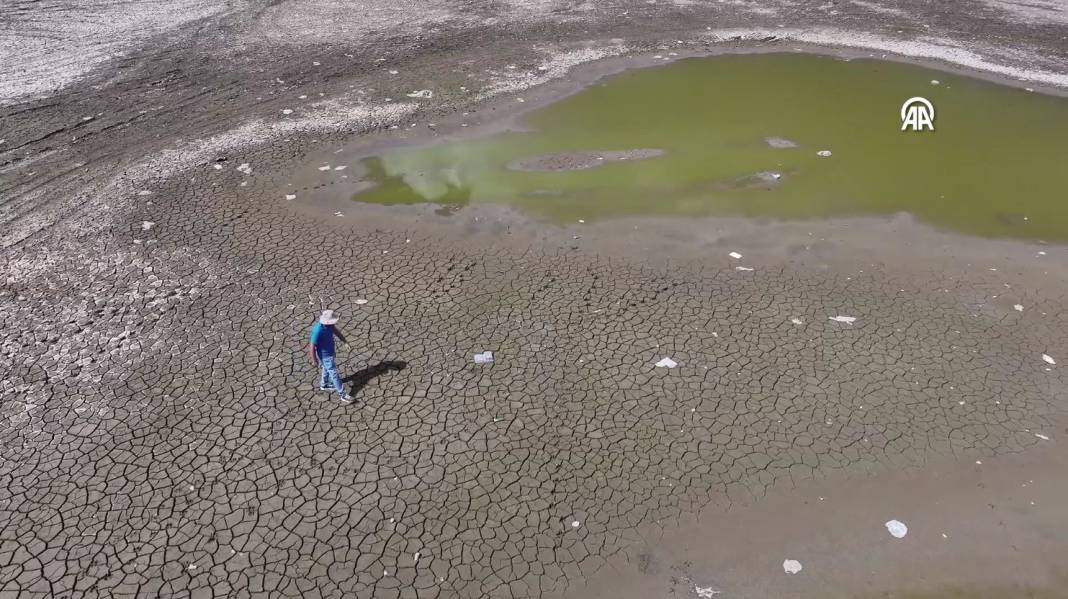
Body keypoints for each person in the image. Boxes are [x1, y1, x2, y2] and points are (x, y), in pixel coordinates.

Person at [309, 309, 355, 404]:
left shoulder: (329, 326)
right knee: (334, 373)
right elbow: (311, 346)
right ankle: (342, 395)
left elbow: (336, 332)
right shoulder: (318, 330)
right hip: (324, 356)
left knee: (326, 369)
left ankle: (324, 384)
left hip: (330, 352)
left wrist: (344, 341)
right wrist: (314, 360)